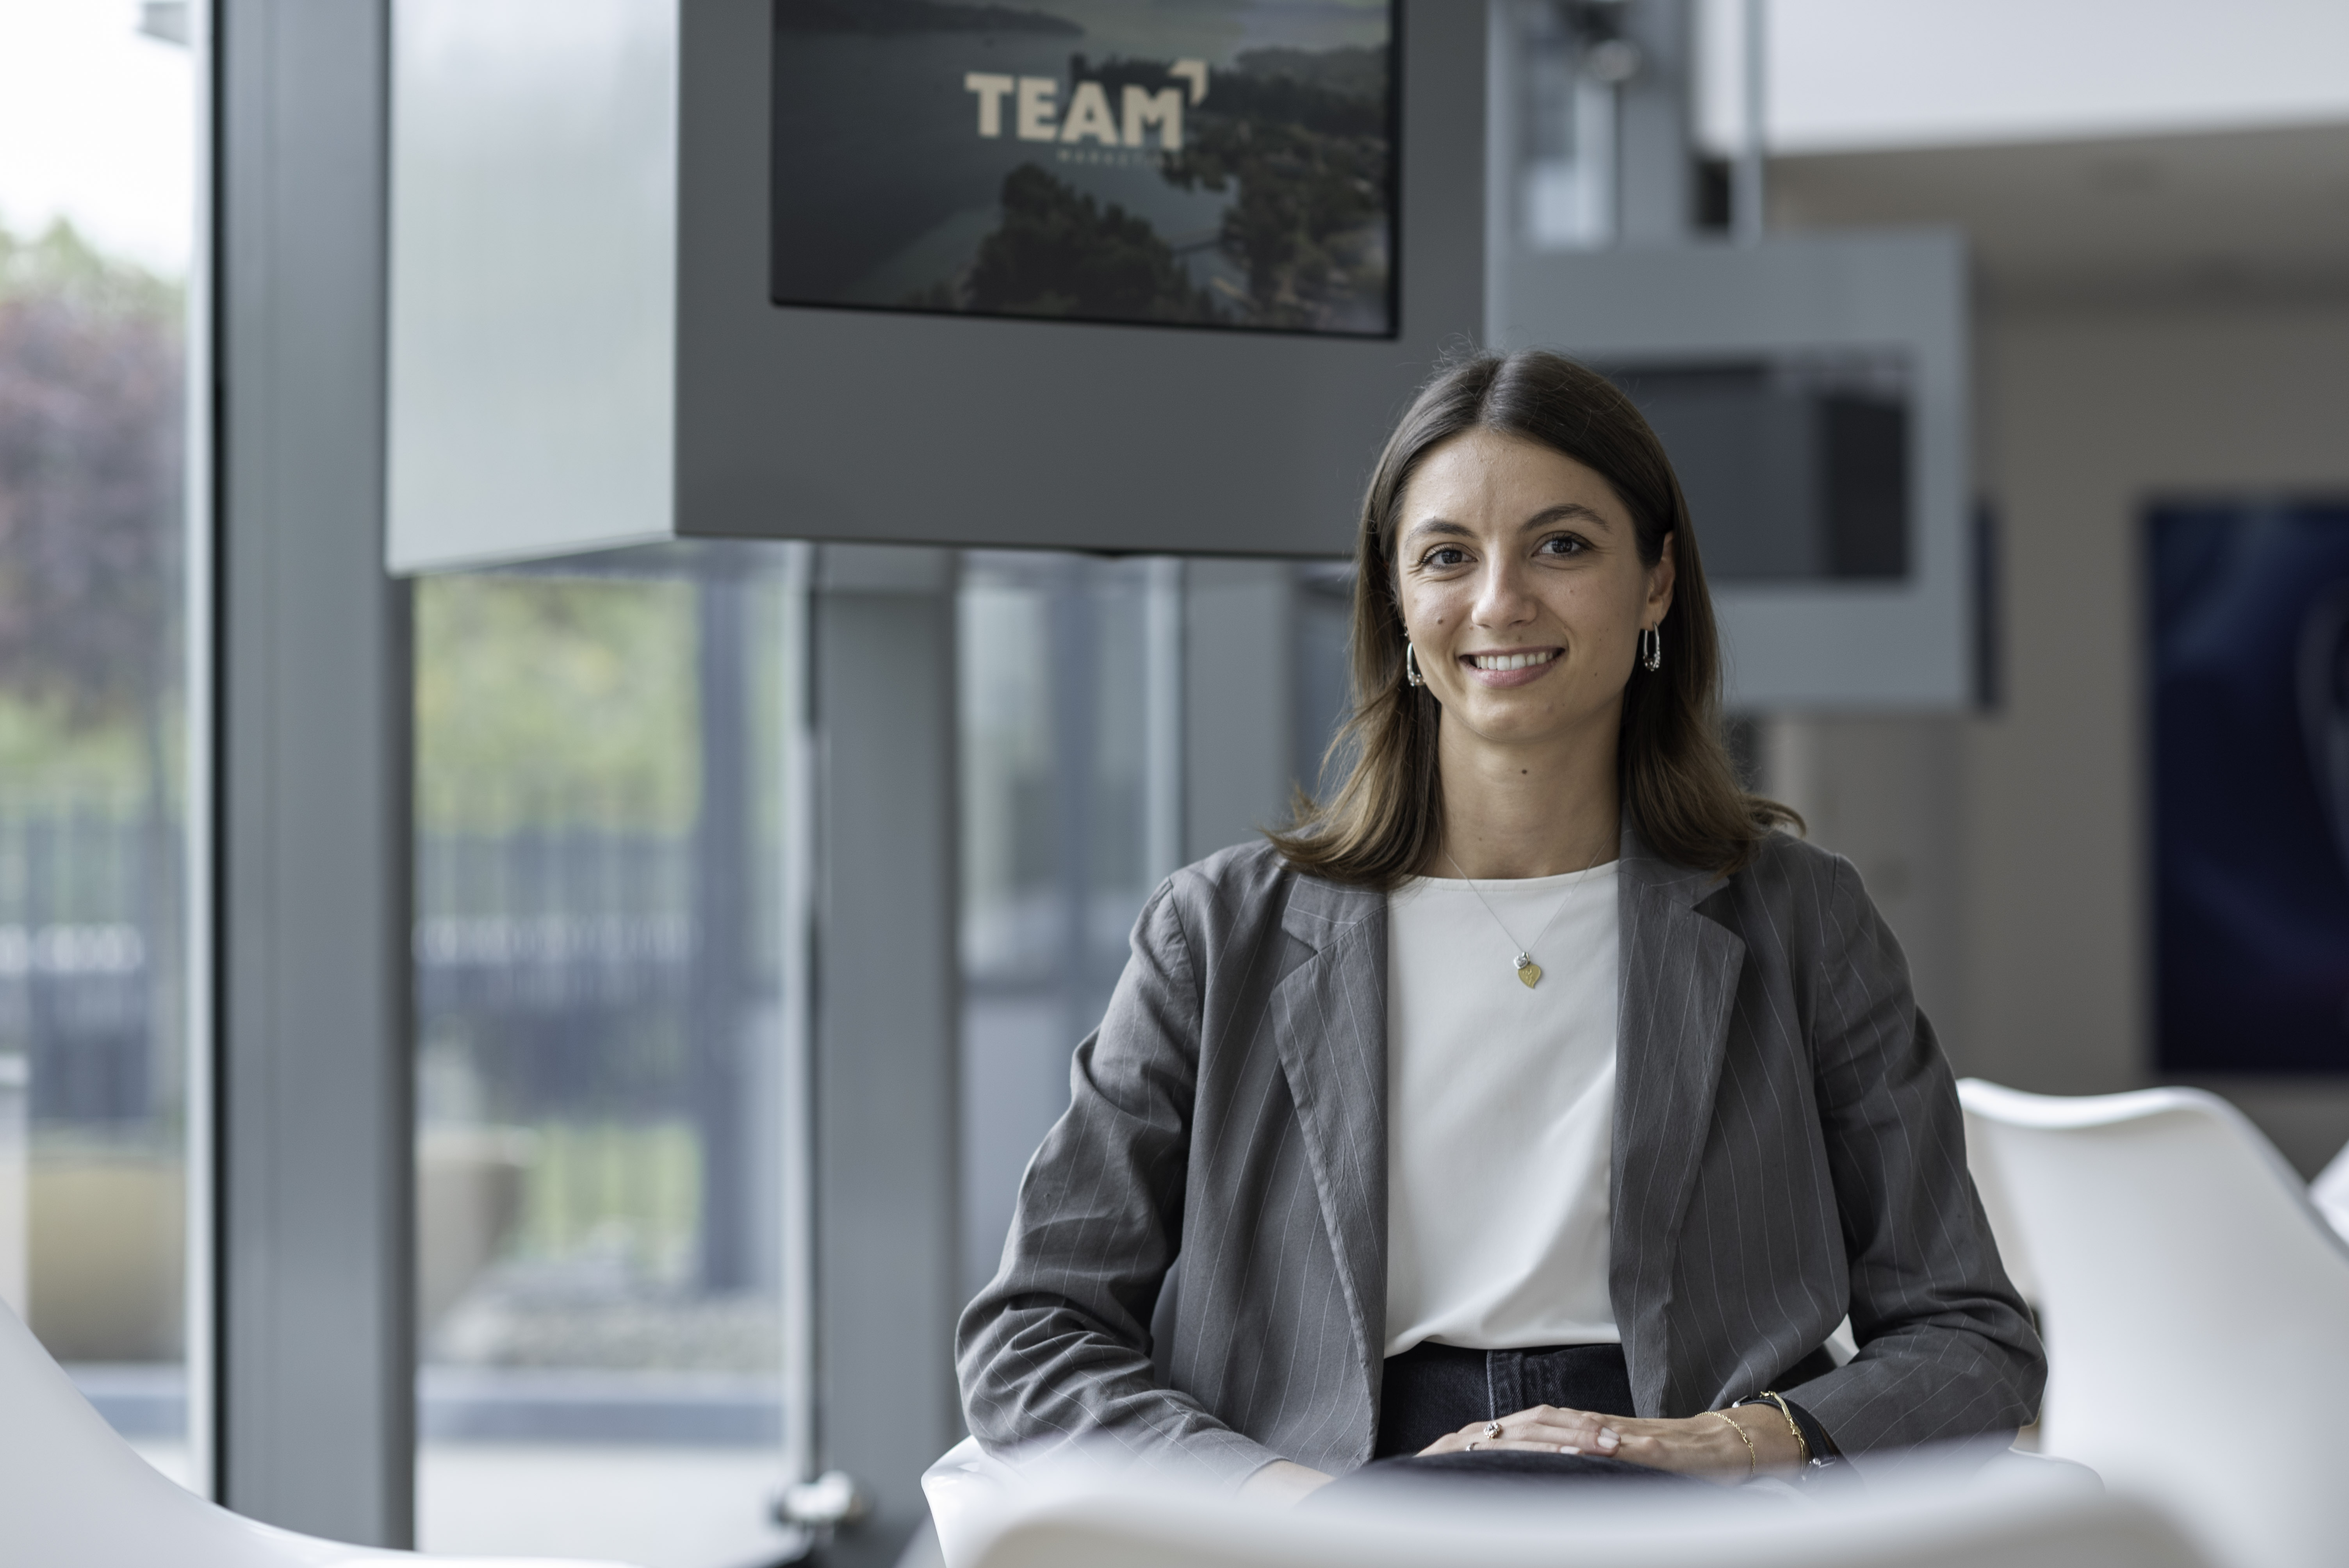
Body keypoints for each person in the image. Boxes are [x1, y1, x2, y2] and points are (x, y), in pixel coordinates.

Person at [956, 350, 2044, 1502]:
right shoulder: (1215, 934)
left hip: (1691, 1500)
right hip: (1336, 1490)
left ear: (1658, 581)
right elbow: (1032, 1338)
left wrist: (1731, 1442)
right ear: (1394, 599)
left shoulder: (1803, 920)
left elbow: (1973, 1339)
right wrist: (1291, 1503)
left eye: (1562, 546)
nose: (1499, 602)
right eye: (1446, 557)